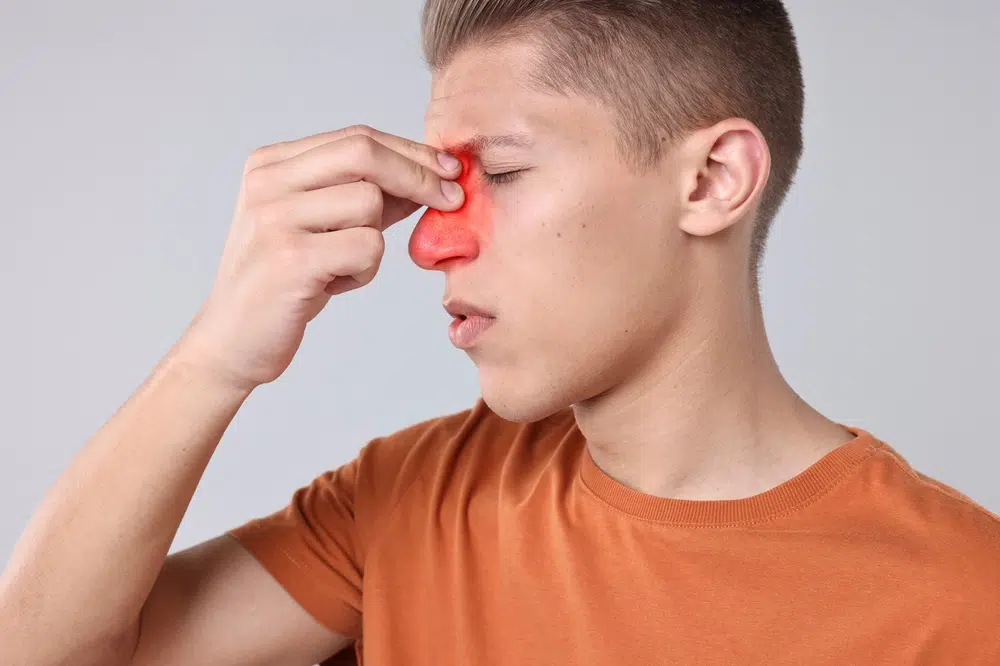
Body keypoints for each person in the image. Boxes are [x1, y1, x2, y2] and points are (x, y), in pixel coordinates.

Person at [3, 1, 999, 664]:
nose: (431, 242)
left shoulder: (962, 602)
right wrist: (217, 352)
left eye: (505, 173)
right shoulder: (408, 499)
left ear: (709, 182)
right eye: (441, 184)